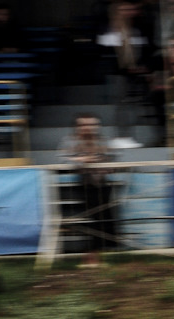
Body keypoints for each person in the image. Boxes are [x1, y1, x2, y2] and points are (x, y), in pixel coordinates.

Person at [57, 114, 119, 264]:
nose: (88, 127)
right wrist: (80, 160)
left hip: (103, 182)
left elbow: (112, 156)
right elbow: (62, 157)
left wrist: (102, 162)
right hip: (84, 183)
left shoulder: (103, 140)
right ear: (78, 127)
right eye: (84, 124)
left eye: (92, 124)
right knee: (92, 217)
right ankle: (92, 252)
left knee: (106, 216)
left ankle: (103, 250)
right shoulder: (70, 140)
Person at [97, 0, 150, 149]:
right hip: (118, 75)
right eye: (124, 9)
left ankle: (127, 135)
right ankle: (120, 136)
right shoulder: (108, 31)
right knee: (121, 105)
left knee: (130, 105)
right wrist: (126, 69)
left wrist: (140, 67)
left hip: (133, 74)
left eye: (130, 9)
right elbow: (105, 56)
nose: (128, 12)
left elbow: (142, 51)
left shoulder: (136, 29)